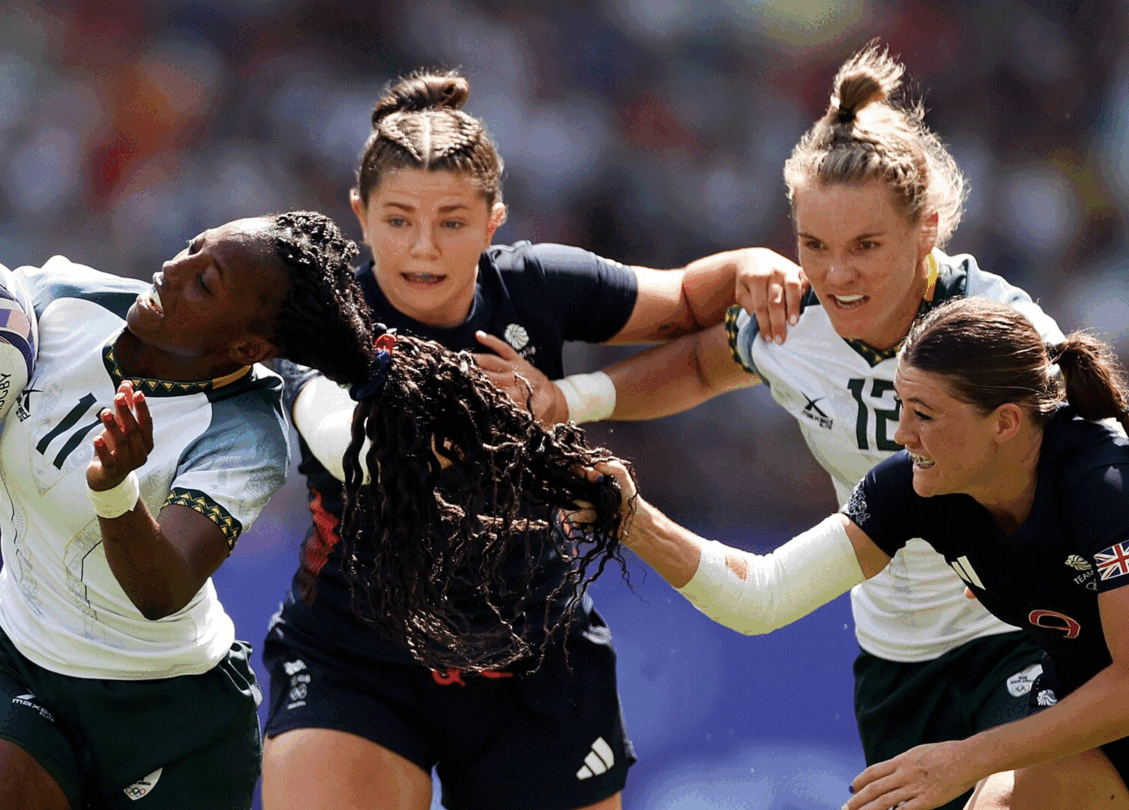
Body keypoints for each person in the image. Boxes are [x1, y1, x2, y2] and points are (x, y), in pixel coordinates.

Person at [261, 69, 806, 810]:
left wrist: (754, 265)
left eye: (453, 221)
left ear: (494, 221)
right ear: (359, 215)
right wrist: (463, 422)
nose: (423, 246)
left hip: (534, 659)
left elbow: (686, 302)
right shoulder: (328, 318)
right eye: (398, 220)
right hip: (356, 654)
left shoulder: (535, 286)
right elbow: (334, 433)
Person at [585, 45, 1062, 810]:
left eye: (867, 246)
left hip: (1024, 637)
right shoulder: (790, 320)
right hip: (895, 663)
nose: (837, 275)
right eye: (815, 246)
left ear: (928, 230)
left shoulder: (1002, 334)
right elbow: (702, 365)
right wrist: (571, 401)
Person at [592, 296, 1129, 810]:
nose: (902, 432)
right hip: (1106, 742)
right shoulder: (914, 487)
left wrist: (963, 757)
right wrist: (634, 521)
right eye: (900, 405)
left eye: (925, 413)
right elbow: (762, 596)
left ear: (1004, 423)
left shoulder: (1107, 484)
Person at [0, 211, 358, 810]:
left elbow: (162, 589)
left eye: (205, 282)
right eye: (192, 247)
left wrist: (115, 490)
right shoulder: (63, 299)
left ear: (245, 346)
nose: (174, 267)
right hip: (31, 677)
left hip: (176, 725)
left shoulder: (247, 432)